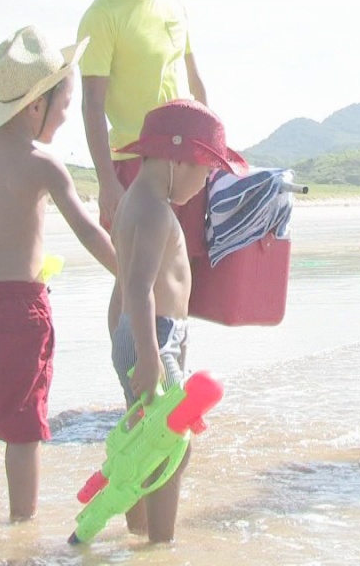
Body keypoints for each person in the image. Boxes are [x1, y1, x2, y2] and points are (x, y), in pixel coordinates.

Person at [0, 26, 117, 521]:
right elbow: (86, 231)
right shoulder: (43, 162)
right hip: (20, 308)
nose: (65, 116)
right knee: (22, 424)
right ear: (38, 104)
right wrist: (128, 277)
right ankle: (22, 526)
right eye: (65, 106)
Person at [110, 99, 247, 542]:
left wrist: (124, 338)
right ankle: (160, 543)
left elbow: (123, 283)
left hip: (143, 334)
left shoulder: (137, 200)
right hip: (157, 338)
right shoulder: (154, 211)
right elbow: (138, 287)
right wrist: (149, 355)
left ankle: (137, 524)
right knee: (171, 443)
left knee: (142, 433)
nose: (206, 182)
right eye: (205, 171)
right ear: (176, 161)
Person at [77, 0, 210, 341]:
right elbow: (91, 104)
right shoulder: (103, 14)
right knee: (133, 277)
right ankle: (133, 383)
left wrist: (213, 154)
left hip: (185, 161)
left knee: (176, 276)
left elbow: (194, 81)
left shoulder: (173, 3)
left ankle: (171, 380)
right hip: (135, 164)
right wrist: (107, 182)